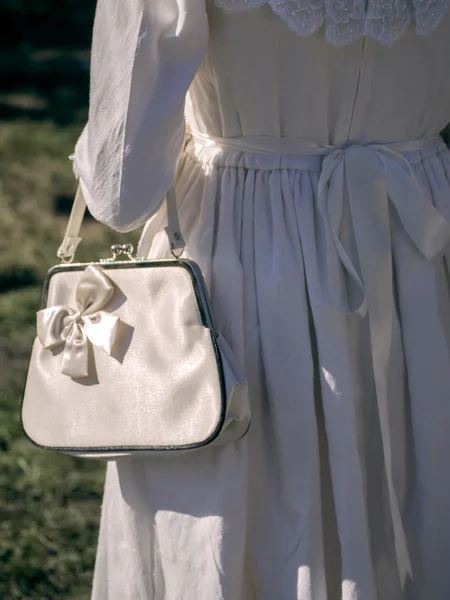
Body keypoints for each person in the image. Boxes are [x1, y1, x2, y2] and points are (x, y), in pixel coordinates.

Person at [72, 1, 450, 598]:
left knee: (249, 502)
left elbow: (122, 191)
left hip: (247, 247)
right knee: (414, 470)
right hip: (416, 248)